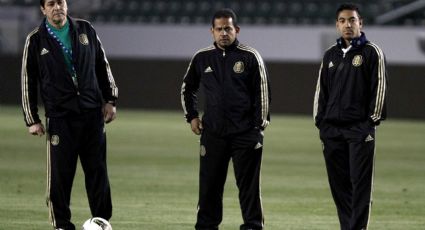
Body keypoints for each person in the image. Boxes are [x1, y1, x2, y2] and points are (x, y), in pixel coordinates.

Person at [21, 0, 118, 229]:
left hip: (92, 114)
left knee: (98, 172)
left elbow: (102, 66)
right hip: (60, 118)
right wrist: (31, 118)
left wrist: (111, 99)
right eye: (51, 3)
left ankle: (101, 221)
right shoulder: (35, 39)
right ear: (43, 9)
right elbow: (28, 80)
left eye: (61, 2)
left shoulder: (85, 29)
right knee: (60, 177)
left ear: (67, 5)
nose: (57, 7)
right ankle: (62, 224)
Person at [181, 8, 271, 230]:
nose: (223, 33)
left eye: (228, 28)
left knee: (248, 187)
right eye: (219, 29)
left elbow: (263, 93)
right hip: (213, 134)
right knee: (209, 186)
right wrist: (192, 117)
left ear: (236, 30)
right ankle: (206, 226)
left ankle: (252, 226)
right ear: (212, 31)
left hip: (245, 134)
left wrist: (258, 127)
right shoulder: (202, 58)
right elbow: (187, 88)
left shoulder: (250, 57)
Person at [313, 3, 388, 230]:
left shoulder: (371, 52)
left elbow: (380, 88)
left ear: (360, 23)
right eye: (343, 21)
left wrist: (370, 122)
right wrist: (321, 123)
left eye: (352, 20)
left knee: (360, 184)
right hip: (332, 131)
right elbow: (321, 92)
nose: (348, 25)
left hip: (359, 130)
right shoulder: (330, 55)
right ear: (337, 25)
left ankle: (357, 227)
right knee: (339, 186)